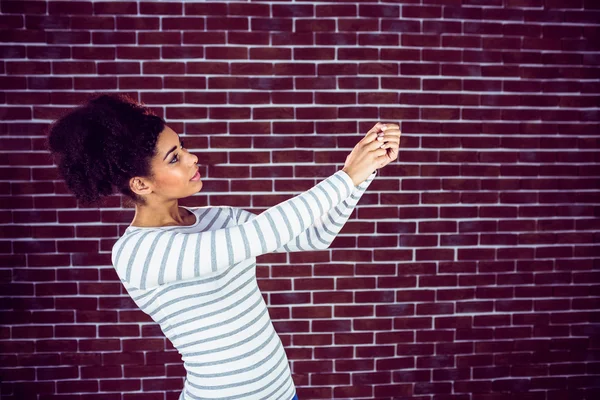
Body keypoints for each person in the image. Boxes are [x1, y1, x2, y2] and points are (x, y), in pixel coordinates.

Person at [45, 93, 401, 400]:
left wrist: (366, 169)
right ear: (140, 183)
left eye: (182, 147)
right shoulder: (137, 254)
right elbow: (261, 235)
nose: (191, 158)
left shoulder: (219, 218)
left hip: (281, 391)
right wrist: (347, 175)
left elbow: (314, 236)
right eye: (174, 158)